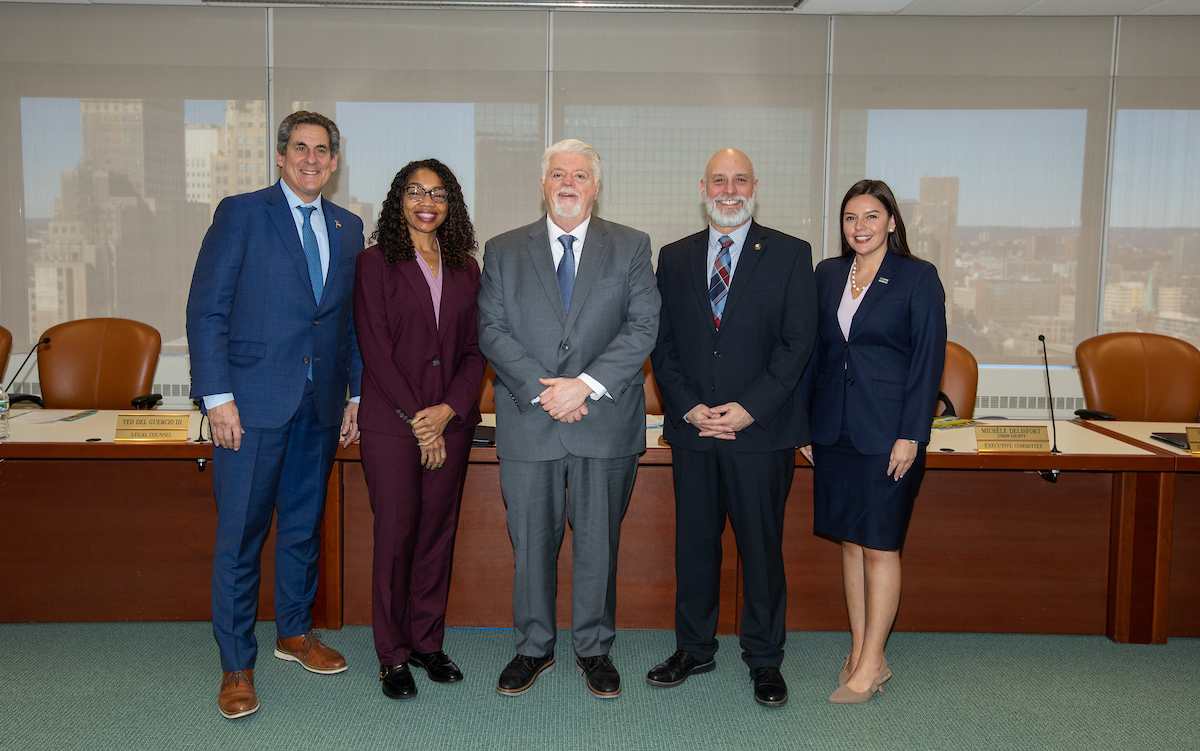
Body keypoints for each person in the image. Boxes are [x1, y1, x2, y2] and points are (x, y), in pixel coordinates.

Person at [186, 111, 364, 720]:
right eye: (299, 148)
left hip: (319, 404)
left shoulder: (348, 226)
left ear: (334, 163)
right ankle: (237, 663)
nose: (311, 158)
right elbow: (206, 309)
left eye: (322, 150)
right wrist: (217, 398)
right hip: (251, 405)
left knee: (301, 528)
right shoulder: (242, 213)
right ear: (281, 157)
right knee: (239, 536)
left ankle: (295, 633)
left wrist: (356, 396)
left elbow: (348, 322)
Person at [477, 139, 660, 699]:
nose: (568, 183)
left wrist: (584, 385)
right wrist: (548, 392)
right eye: (558, 173)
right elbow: (492, 331)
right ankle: (533, 647)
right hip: (530, 423)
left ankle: (594, 648)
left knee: (599, 544)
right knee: (530, 543)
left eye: (580, 175)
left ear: (595, 187)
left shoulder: (630, 246)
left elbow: (642, 326)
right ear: (542, 183)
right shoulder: (504, 249)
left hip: (603, 421)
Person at [647, 148, 817, 708]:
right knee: (695, 545)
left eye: (739, 180)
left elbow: (798, 345)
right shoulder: (673, 258)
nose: (729, 189)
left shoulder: (791, 255)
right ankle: (693, 648)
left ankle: (765, 658)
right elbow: (662, 344)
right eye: (718, 180)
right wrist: (690, 407)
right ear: (702, 187)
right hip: (695, 429)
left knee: (761, 548)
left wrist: (750, 408)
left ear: (755, 187)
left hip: (760, 432)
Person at [800, 179, 946, 704]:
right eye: (850, 218)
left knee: (881, 545)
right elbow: (814, 354)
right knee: (850, 542)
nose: (859, 227)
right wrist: (807, 427)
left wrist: (912, 435)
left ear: (891, 221)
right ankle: (863, 650)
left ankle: (873, 661)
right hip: (834, 430)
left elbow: (928, 362)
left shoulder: (917, 276)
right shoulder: (828, 274)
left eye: (870, 217)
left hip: (889, 434)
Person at [353, 159, 485, 700]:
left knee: (436, 537)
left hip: (448, 426)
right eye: (414, 192)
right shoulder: (374, 263)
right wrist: (419, 422)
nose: (425, 201)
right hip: (393, 426)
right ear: (397, 201)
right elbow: (375, 351)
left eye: (437, 193)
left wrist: (448, 412)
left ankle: (428, 642)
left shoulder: (466, 269)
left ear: (450, 204)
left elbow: (477, 352)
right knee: (396, 538)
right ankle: (393, 655)